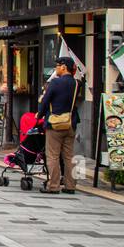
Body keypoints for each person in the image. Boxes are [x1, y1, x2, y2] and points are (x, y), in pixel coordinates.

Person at [37, 55, 82, 194]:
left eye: (57, 66)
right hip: (70, 123)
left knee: (53, 155)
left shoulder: (55, 83)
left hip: (55, 124)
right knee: (69, 156)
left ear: (63, 67)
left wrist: (39, 115)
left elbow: (45, 101)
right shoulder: (77, 83)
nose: (56, 69)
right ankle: (70, 186)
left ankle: (54, 186)